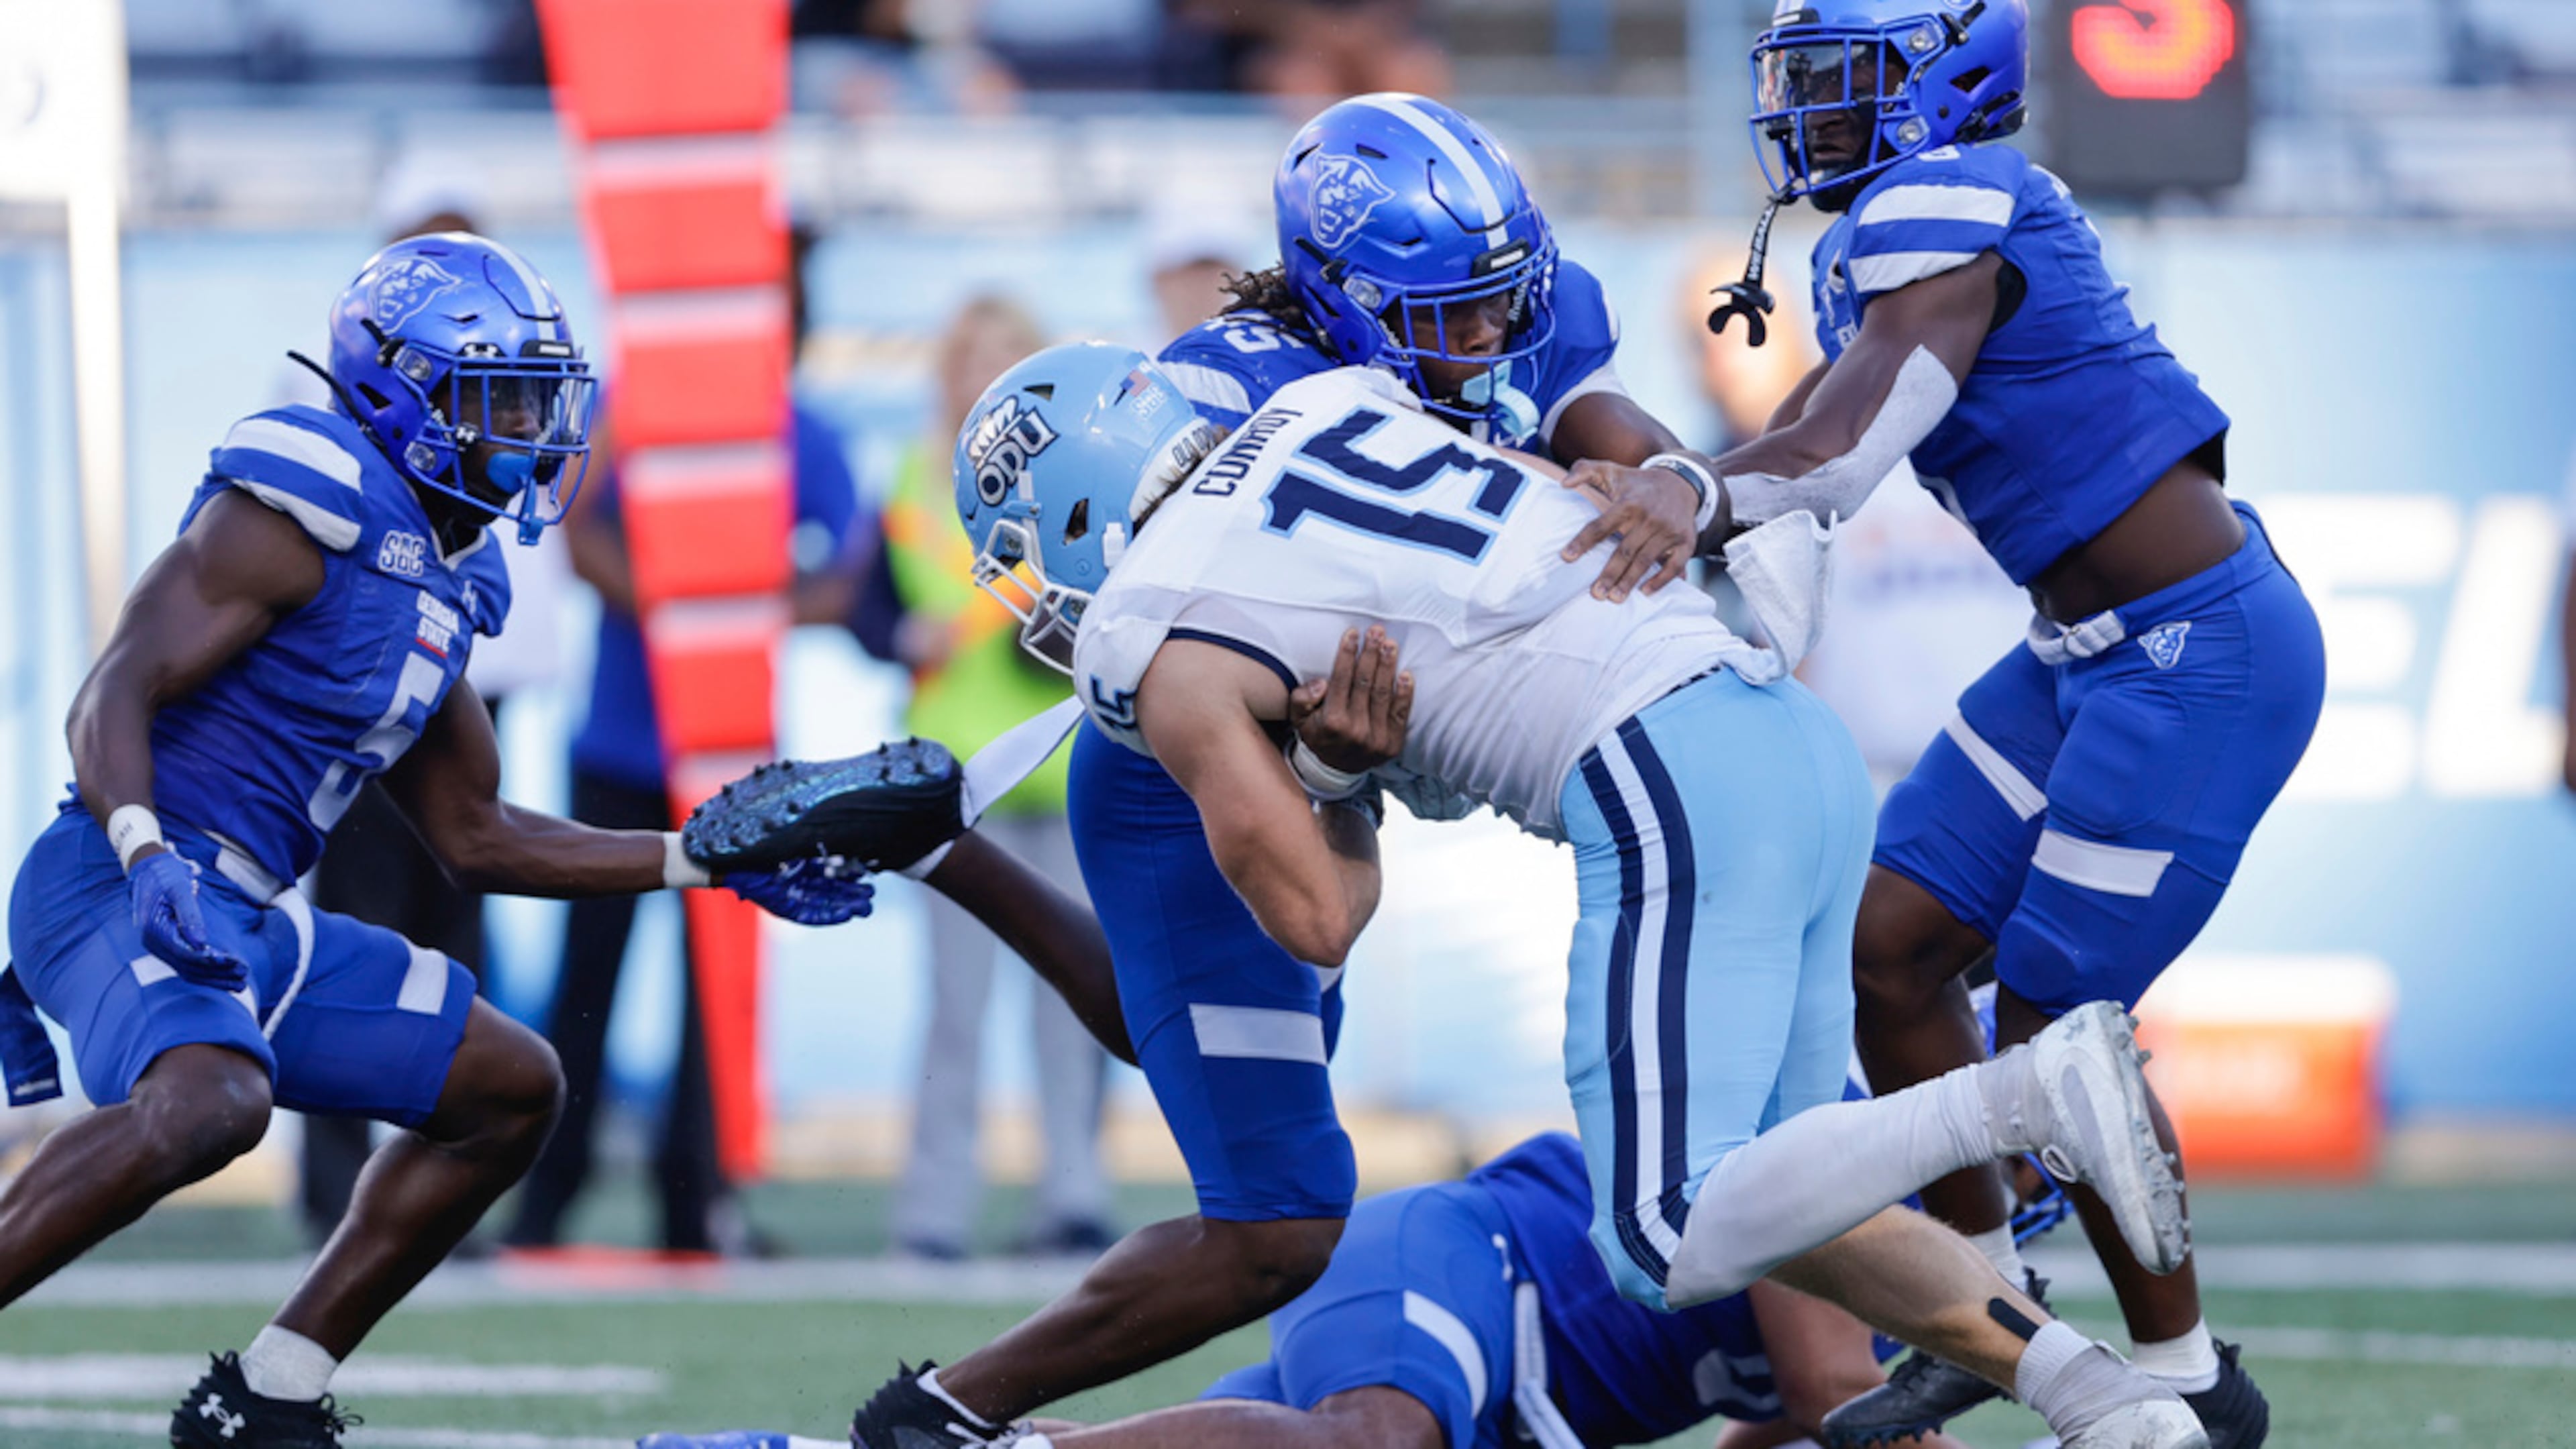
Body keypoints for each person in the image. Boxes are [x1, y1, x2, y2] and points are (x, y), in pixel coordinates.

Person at [935, 342, 2214, 1449]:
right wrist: (1344, 760)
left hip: (1665, 770)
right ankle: (2109, 1405)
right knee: (1790, 1195)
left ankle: (2020, 1095)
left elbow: (1321, 921)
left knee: (1664, 1234)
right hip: (1784, 729)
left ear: (1075, 514)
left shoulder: (1161, 637)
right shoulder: (1334, 411)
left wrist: (1324, 770)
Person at [846, 93, 1727, 1449]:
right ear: (1350, 297)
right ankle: (944, 1417)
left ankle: (937, 851)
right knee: (1283, 1206)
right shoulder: (1220, 387)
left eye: (1506, 299)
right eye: (1457, 312)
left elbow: (1581, 395)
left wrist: (1663, 470)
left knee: (1239, 1049)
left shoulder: (1501, 303)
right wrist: (1315, 767)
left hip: (1332, 721)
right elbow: (1248, 751)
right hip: (1195, 737)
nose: (1492, 336)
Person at [0, 233, 873, 1448]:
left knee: (512, 1089)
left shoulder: (439, 575)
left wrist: (700, 859)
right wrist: (145, 852)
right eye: (500, 398)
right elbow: (113, 692)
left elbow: (475, 833)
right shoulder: (302, 503)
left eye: (536, 399)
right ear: (398, 389)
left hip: (249, 916)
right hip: (111, 877)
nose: (529, 430)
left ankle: (269, 1394)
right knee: (212, 1104)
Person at [1649, 3, 2326, 1444]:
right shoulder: (1886, 226)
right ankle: (1984, 1297)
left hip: (2195, 651)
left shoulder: (1949, 197)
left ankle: (2192, 1370)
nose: (1802, 112)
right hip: (2078, 652)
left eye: (1836, 82)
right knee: (1889, 947)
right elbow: (1816, 451)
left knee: (2051, 1022)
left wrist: (1702, 496)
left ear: (1940, 80)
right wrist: (1730, 501)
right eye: (1798, 83)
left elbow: (1836, 449)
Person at [643, 1135, 1972, 1449]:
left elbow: (1795, 1421)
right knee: (1372, 1445)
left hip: (1497, 1393)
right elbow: (1837, 1392)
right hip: (1466, 1276)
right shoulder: (1839, 1152)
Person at [502, 224, 870, 1260]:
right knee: (590, 981)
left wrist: (737, 622)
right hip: (621, 746)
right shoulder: (644, 410)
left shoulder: (804, 432)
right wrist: (681, 617)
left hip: (734, 759)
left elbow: (843, 576)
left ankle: (697, 1197)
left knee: (718, 988)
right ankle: (544, 1200)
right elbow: (577, 523)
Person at [285, 156, 573, 1250]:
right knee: (351, 933)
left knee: (462, 925)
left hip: (469, 681)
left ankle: (442, 1177)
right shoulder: (336, 420)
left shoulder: (503, 379)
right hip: (359, 698)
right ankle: (332, 1192)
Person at [877, 295, 1112, 1262]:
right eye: (973, 359)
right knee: (955, 1013)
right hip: (955, 783)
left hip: (1066, 769)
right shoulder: (911, 482)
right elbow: (863, 605)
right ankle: (933, 1212)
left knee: (1078, 1004)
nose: (987, 378)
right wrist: (901, 636)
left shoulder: (1081, 483)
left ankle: (1075, 1195)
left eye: (1007, 360)